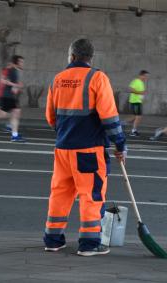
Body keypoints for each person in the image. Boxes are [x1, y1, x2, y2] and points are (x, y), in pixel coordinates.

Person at [43, 39, 127, 257]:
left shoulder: (58, 79)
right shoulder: (97, 78)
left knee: (60, 193)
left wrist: (65, 133)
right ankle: (89, 244)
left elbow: (50, 117)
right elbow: (109, 116)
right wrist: (120, 144)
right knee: (91, 195)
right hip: (89, 150)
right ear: (91, 57)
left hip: (62, 149)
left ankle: (53, 240)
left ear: (71, 56)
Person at [0, 55, 26, 142]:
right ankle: (14, 134)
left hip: (9, 96)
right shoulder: (10, 69)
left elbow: (12, 85)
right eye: (21, 62)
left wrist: (17, 87)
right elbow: (3, 80)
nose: (23, 64)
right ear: (16, 62)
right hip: (6, 96)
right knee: (4, 115)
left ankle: (14, 135)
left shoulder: (14, 71)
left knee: (15, 113)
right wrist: (16, 85)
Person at [128, 70, 149, 137]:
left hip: (138, 101)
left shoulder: (141, 83)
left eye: (147, 76)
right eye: (145, 76)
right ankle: (133, 131)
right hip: (135, 101)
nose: (146, 78)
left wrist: (142, 98)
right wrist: (140, 93)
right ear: (141, 75)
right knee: (138, 117)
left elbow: (141, 93)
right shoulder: (136, 81)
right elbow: (131, 89)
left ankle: (121, 124)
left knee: (135, 117)